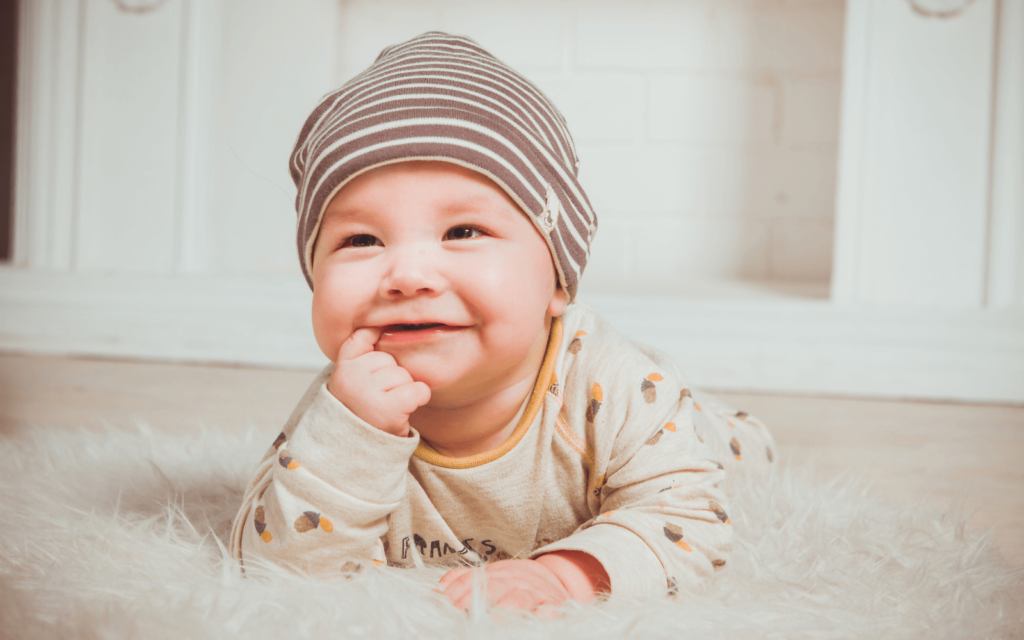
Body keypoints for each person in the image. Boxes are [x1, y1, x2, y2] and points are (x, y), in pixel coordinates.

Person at [230, 31, 775, 614]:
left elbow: (689, 521)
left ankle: (724, 424)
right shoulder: (345, 410)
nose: (408, 275)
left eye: (463, 232)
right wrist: (350, 442)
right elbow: (273, 566)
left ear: (558, 282)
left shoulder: (614, 384)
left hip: (662, 423)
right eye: (360, 238)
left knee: (719, 451)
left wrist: (565, 576)